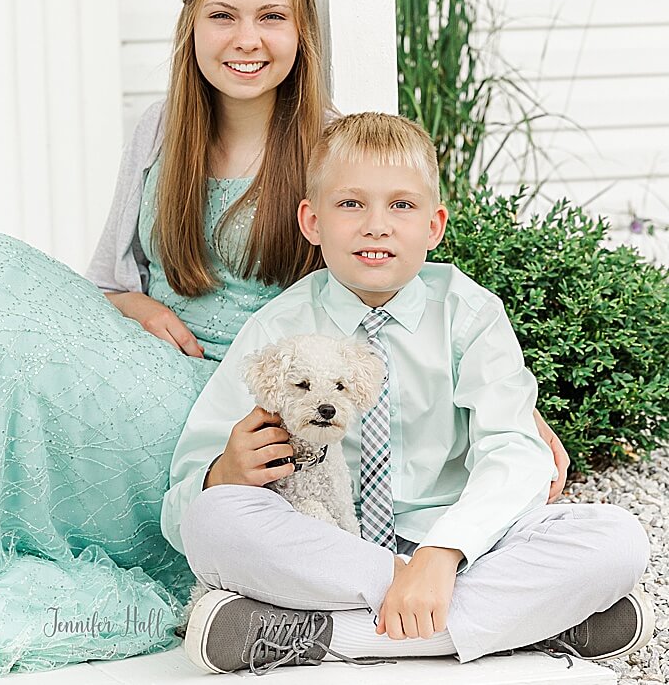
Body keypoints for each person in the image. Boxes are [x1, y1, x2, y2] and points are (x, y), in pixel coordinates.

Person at [0, 0, 568, 677]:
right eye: (222, 15)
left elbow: (386, 283)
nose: (245, 39)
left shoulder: (331, 147)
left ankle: (379, 610)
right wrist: (140, 308)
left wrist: (517, 407)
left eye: (271, 17)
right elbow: (108, 280)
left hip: (273, 391)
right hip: (157, 365)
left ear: (301, 32)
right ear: (191, 23)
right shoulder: (158, 130)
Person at [170, 112, 650, 675]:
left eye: (401, 205)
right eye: (351, 204)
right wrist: (224, 470)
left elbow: (516, 452)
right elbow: (183, 500)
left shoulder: (469, 314)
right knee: (214, 521)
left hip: (462, 547)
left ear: (434, 225)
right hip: (332, 550)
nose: (377, 225)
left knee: (615, 538)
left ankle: (327, 634)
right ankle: (532, 620)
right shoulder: (278, 329)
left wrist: (443, 553)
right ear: (312, 221)